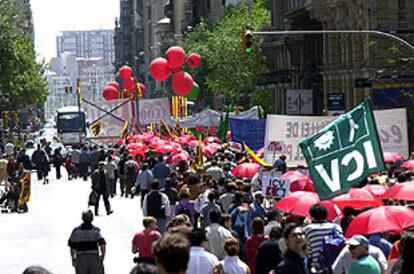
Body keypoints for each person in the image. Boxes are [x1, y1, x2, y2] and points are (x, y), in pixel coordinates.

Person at [303, 204, 343, 274]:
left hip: (318, 268)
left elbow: (309, 253)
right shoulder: (336, 227)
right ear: (326, 214)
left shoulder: (308, 229)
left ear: (312, 216)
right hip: (336, 266)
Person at [68, 210, 106, 274]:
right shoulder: (95, 231)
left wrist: (73, 259)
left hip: (80, 259)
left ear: (82, 218)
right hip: (94, 258)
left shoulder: (76, 231)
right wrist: (102, 256)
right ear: (92, 219)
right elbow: (102, 244)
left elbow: (72, 247)